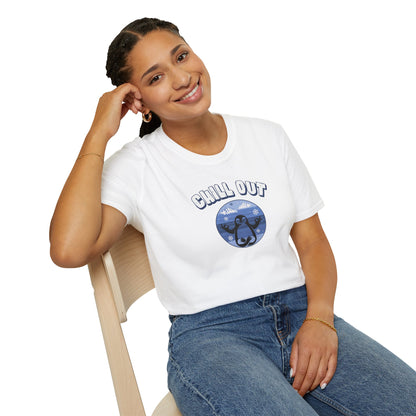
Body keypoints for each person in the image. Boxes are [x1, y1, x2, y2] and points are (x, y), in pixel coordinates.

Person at [49, 17, 416, 416]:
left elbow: (312, 242)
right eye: (156, 78)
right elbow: (69, 249)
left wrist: (321, 320)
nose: (182, 77)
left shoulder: (268, 137)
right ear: (139, 103)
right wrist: (98, 132)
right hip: (211, 337)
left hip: (301, 311)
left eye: (182, 56)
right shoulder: (136, 167)